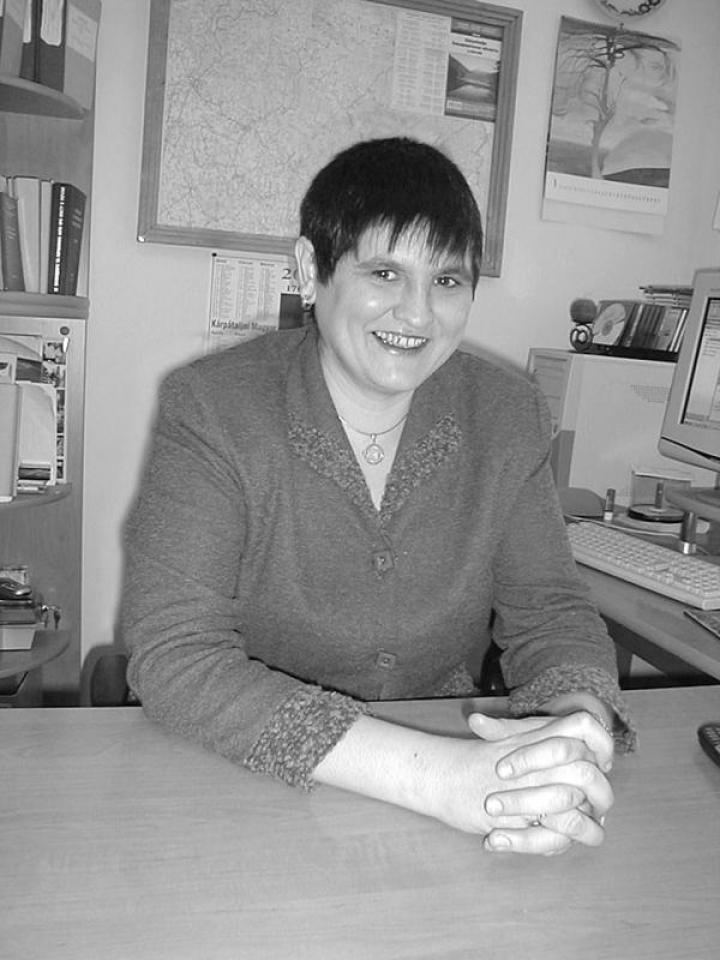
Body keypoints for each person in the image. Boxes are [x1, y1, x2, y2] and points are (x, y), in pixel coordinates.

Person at [119, 137, 634, 856]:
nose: (417, 314)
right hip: (245, 777)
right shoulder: (214, 407)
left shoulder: (506, 414)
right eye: (385, 272)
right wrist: (432, 778)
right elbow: (174, 656)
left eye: (447, 280)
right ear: (311, 270)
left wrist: (569, 732)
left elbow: (549, 610)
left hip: (452, 769)